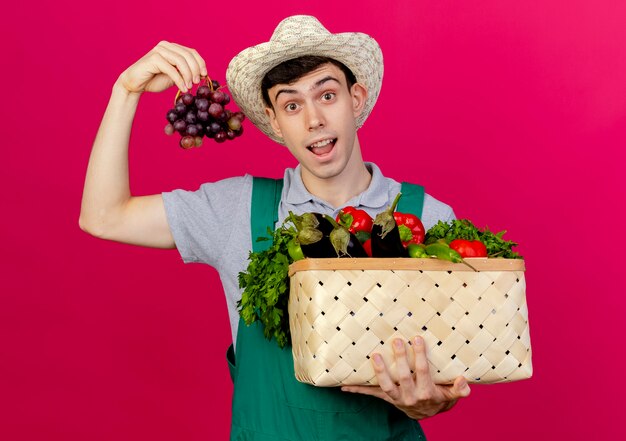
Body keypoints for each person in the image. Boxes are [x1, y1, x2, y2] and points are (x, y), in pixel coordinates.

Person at [80, 15, 471, 441]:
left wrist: (437, 400)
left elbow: (452, 369)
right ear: (274, 120)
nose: (314, 119)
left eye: (327, 95)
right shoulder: (236, 208)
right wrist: (126, 91)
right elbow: (103, 216)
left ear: (356, 99)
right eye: (291, 105)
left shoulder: (427, 219)